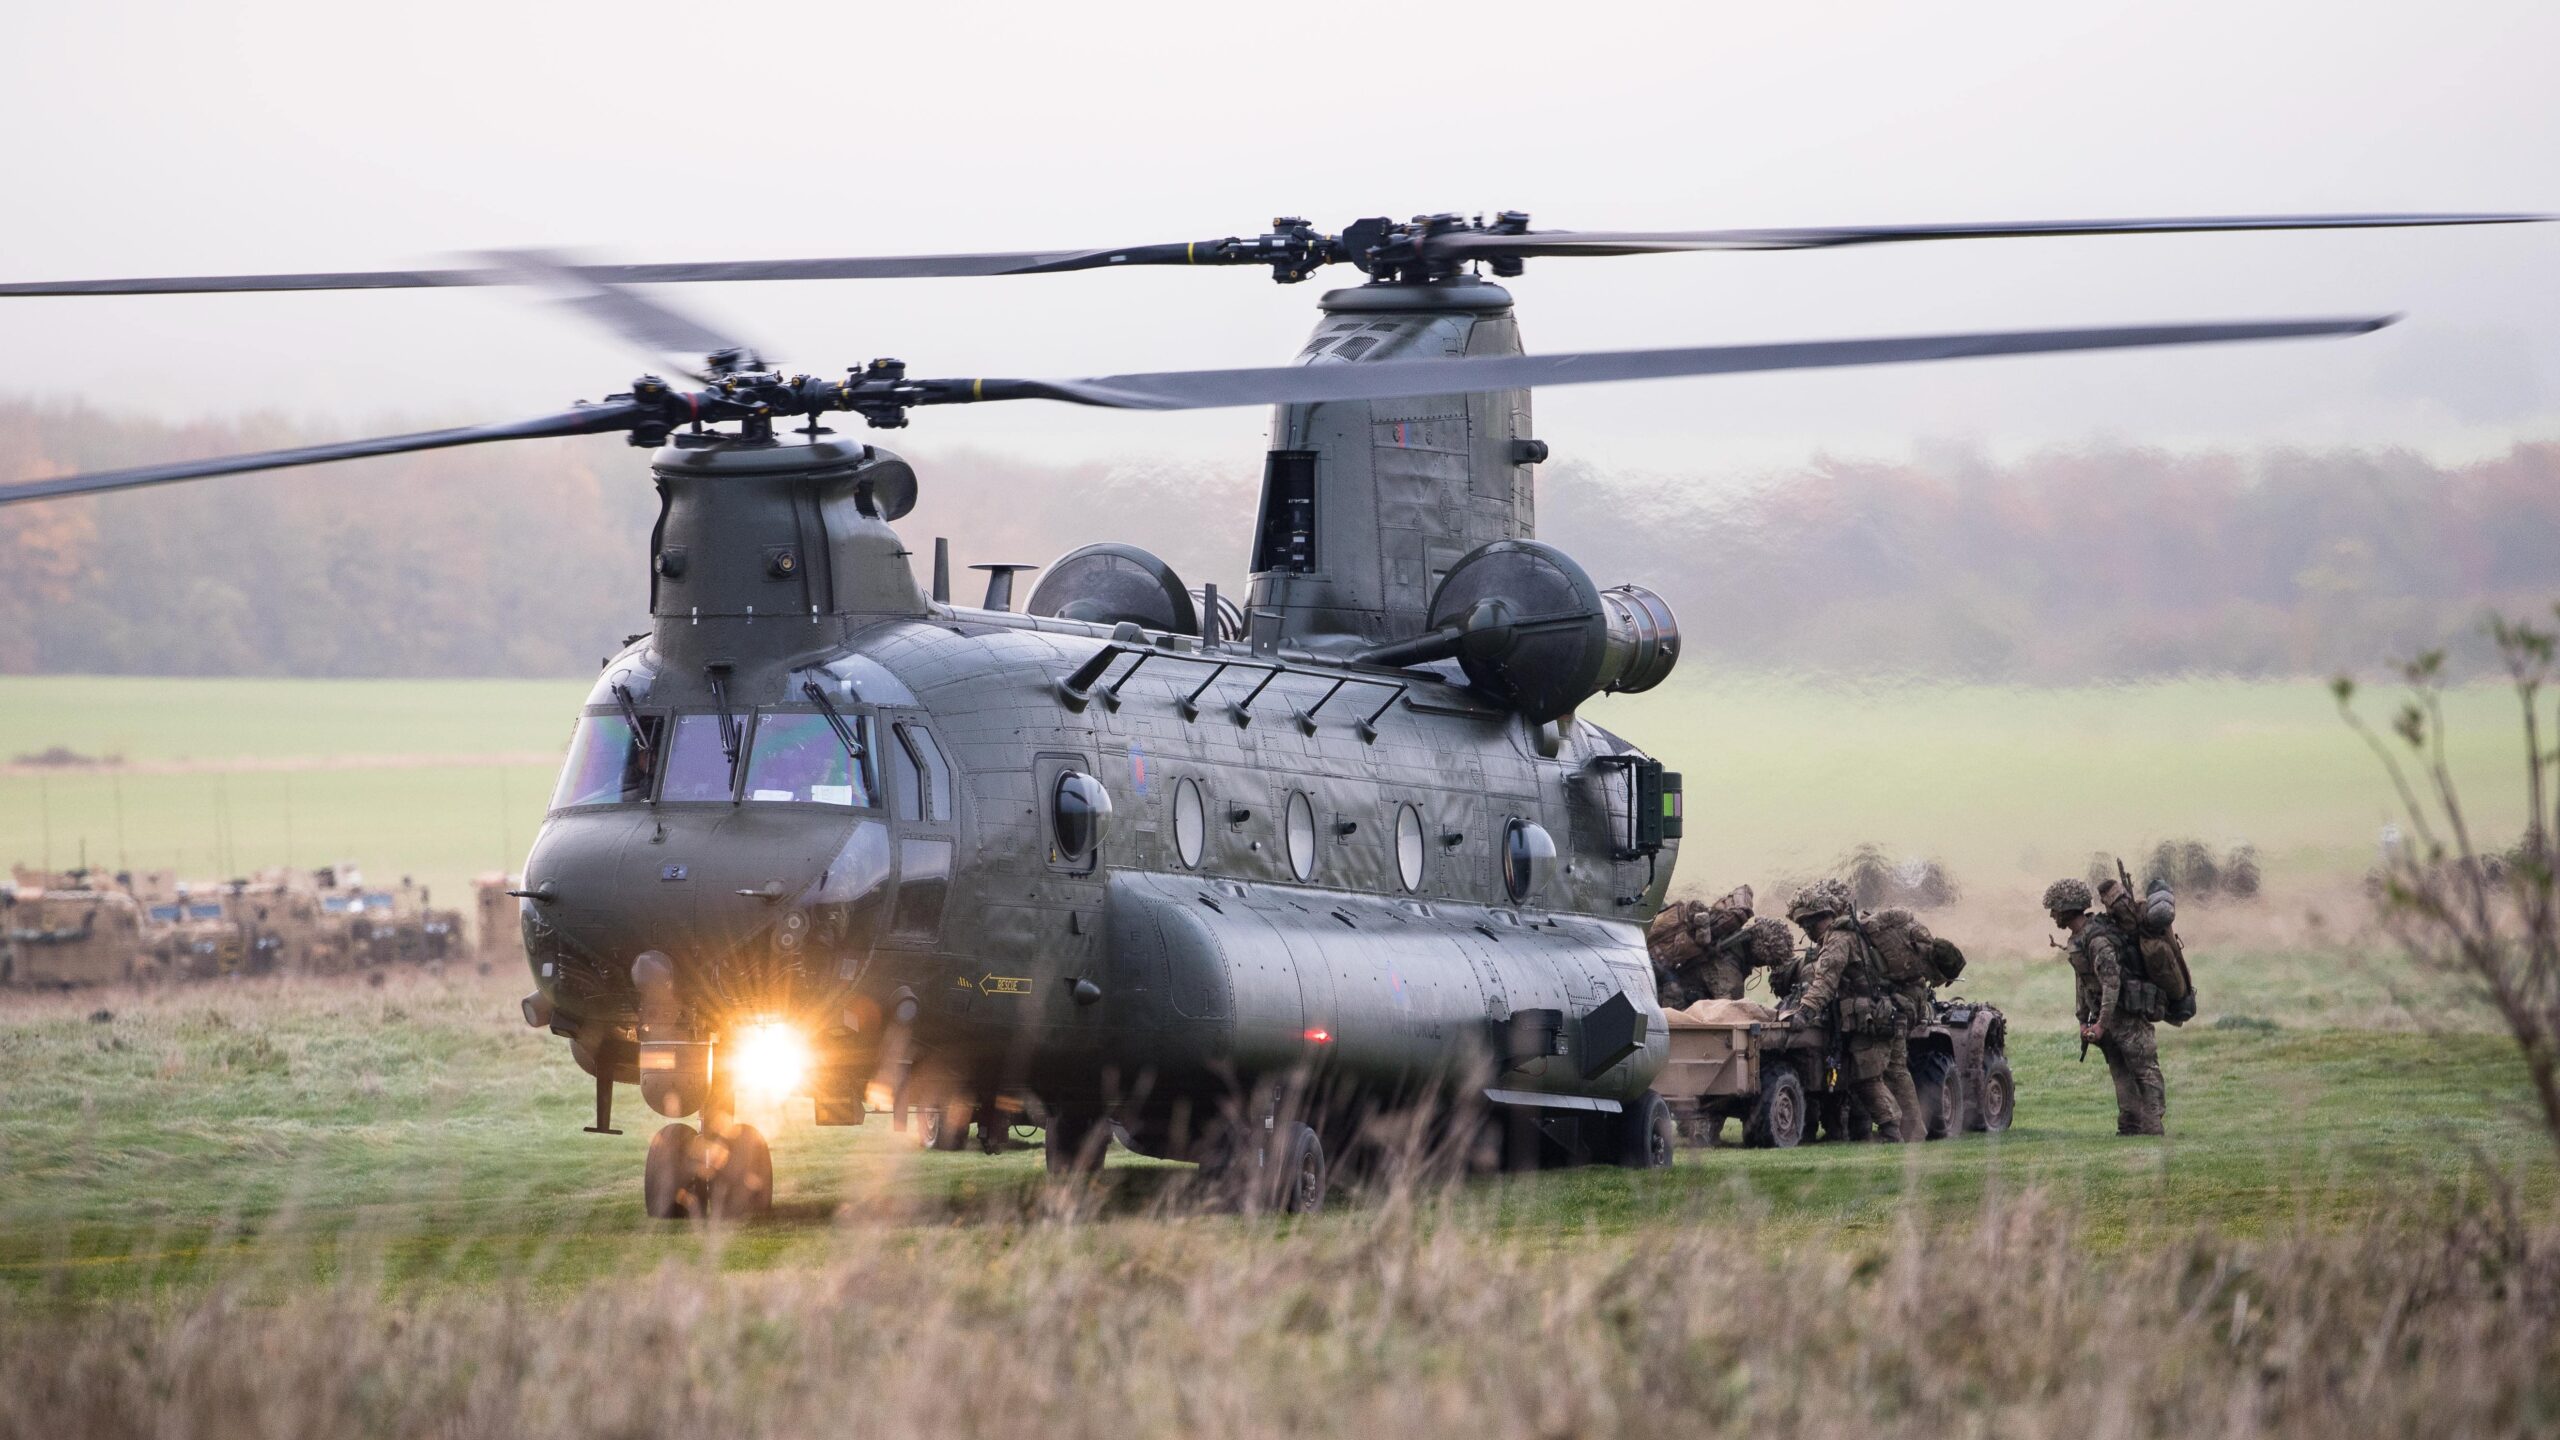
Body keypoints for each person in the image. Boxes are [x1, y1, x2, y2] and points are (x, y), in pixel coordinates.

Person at [1782, 879, 1904, 1143]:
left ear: (1822, 918)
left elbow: (1825, 982)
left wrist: (1804, 1012)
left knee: (1867, 1078)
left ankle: (1891, 1131)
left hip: (1866, 1018)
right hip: (1864, 1017)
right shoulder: (1850, 933)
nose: (1807, 930)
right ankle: (1857, 1132)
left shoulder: (1838, 939)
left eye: (1808, 924)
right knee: (1856, 1076)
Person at [2043, 877, 2166, 1136]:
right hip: (2106, 1019)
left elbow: (2112, 984)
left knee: (2144, 1069)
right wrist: (2083, 1020)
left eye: (2055, 908)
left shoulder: (2097, 940)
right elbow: (2083, 982)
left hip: (2126, 1015)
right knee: (2120, 1070)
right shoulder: (2078, 940)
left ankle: (2153, 1126)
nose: (2052, 914)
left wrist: (2100, 1024)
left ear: (2068, 908)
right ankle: (2129, 1125)